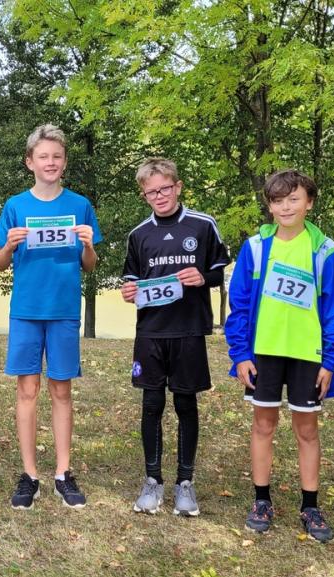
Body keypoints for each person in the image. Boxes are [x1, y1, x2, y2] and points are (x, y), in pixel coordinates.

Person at [224, 169, 334, 542]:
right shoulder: (255, 248)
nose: (285, 207)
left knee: (307, 430)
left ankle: (310, 506)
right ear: (269, 206)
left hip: (307, 355)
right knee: (263, 425)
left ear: (309, 203)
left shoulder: (325, 251)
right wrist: (241, 354)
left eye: (293, 199)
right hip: (263, 353)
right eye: (277, 201)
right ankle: (261, 501)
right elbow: (239, 305)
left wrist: (330, 360)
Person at [0, 124, 102, 509]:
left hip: (64, 311)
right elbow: (0, 263)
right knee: (27, 390)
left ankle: (62, 473)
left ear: (64, 162)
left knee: (61, 390)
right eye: (43, 156)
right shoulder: (15, 206)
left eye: (56, 156)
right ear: (30, 162)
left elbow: (89, 265)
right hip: (26, 311)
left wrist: (88, 245)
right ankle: (29, 475)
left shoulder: (80, 205)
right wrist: (8, 246)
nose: (50, 162)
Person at [120, 158, 230, 516]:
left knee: (185, 404)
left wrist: (203, 278)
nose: (160, 196)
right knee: (152, 404)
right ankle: (153, 480)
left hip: (188, 329)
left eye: (165, 188)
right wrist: (128, 292)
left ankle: (185, 483)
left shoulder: (202, 225)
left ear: (178, 187)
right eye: (151, 192)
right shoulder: (138, 235)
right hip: (151, 331)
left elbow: (218, 271)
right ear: (144, 195)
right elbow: (131, 281)